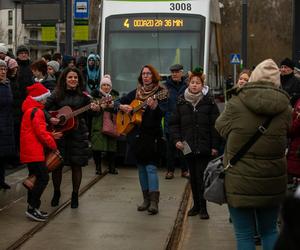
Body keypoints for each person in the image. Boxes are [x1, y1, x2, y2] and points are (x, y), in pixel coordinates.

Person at [215, 59, 291, 250]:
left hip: (239, 179)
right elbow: (287, 132)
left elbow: (220, 126)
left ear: (254, 77)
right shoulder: (286, 109)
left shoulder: (237, 102)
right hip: (272, 180)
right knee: (270, 231)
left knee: (244, 235)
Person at [45, 67, 100, 209]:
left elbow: (92, 114)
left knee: (77, 165)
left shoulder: (84, 96)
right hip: (60, 134)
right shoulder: (57, 94)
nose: (73, 80)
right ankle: (56, 192)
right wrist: (51, 118)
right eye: (70, 77)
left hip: (77, 134)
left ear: (79, 80)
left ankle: (75, 195)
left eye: (75, 77)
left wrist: (95, 109)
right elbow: (43, 109)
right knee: (57, 165)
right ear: (64, 79)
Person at [169, 70, 220, 219]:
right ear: (188, 84)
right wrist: (176, 140)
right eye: (192, 82)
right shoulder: (181, 102)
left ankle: (203, 207)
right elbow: (174, 124)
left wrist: (215, 146)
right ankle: (196, 206)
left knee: (201, 177)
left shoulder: (209, 102)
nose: (195, 85)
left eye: (198, 83)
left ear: (202, 85)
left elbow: (215, 126)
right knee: (193, 177)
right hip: (187, 145)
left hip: (204, 146)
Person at [118, 64, 168, 215]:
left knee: (151, 168)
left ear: (153, 76)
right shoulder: (135, 93)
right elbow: (116, 103)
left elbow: (165, 112)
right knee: (140, 168)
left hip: (152, 135)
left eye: (148, 74)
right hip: (136, 136)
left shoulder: (161, 93)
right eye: (143, 74)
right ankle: (145, 199)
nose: (146, 76)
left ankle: (154, 202)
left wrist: (155, 108)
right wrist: (122, 107)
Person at [20, 83, 60, 222]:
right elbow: (41, 133)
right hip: (35, 152)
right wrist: (53, 145)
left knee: (34, 179)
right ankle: (32, 208)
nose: (46, 100)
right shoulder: (37, 112)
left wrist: (49, 135)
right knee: (43, 178)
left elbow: (34, 131)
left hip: (29, 151)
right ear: (39, 98)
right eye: (44, 98)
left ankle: (33, 208)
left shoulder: (29, 110)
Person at [164, 64, 189, 180]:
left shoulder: (187, 85)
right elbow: (162, 105)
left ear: (181, 72)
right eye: (172, 72)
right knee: (170, 149)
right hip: (170, 121)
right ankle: (170, 171)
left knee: (185, 147)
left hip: (184, 121)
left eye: (176, 72)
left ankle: (185, 170)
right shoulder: (165, 87)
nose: (174, 74)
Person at [91, 74, 119, 175]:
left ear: (110, 87)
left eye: (108, 85)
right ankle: (98, 168)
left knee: (112, 147)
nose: (106, 87)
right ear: (100, 86)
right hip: (98, 124)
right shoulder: (94, 97)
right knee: (97, 148)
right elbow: (91, 112)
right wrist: (98, 108)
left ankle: (112, 167)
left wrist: (111, 107)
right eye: (104, 85)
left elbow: (118, 109)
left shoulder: (115, 97)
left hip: (111, 124)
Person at [0, 59, 15, 189]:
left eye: (4, 69)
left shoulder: (7, 84)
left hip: (7, 122)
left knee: (3, 155)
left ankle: (1, 179)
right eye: (0, 69)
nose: (3, 71)